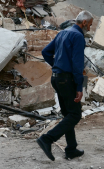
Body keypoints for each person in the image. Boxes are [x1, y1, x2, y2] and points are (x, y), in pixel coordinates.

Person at [37, 10, 94, 161]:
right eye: (89, 26)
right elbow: (77, 64)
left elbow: (45, 52)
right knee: (75, 115)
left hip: (56, 78)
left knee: (68, 114)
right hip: (67, 80)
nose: (89, 29)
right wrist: (79, 87)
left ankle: (71, 149)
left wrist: (57, 66)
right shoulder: (77, 36)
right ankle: (47, 139)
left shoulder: (63, 33)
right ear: (83, 23)